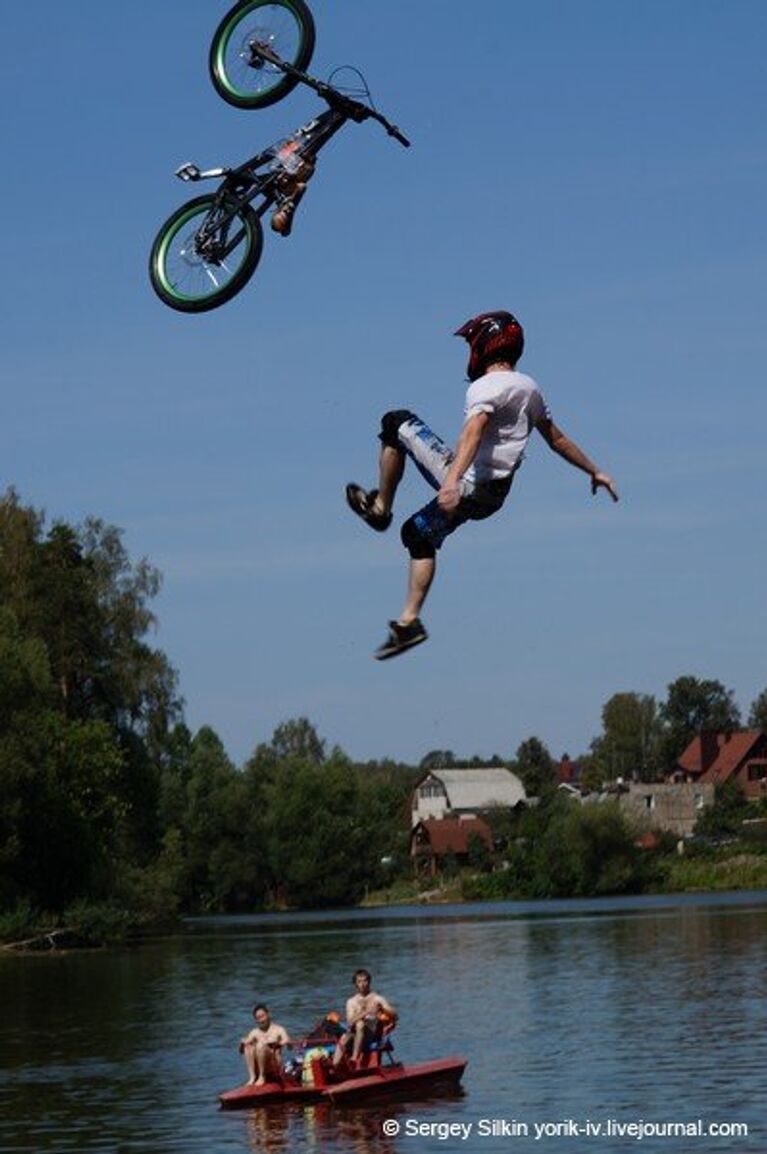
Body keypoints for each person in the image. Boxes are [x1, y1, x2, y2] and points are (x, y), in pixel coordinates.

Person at [345, 310, 619, 659]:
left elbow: (473, 433)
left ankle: (381, 507)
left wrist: (452, 481)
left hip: (466, 484)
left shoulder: (484, 388)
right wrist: (594, 470)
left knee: (394, 422)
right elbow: (557, 439)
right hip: (492, 498)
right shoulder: (529, 388)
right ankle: (408, 622)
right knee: (416, 534)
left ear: (482, 346)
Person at [334, 968, 397, 1067]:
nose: (363, 984)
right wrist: (366, 1012)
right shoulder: (351, 1002)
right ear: (355, 984)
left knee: (360, 1025)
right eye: (359, 982)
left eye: (365, 981)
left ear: (369, 982)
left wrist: (383, 1009)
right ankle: (335, 1066)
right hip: (354, 1036)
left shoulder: (377, 998)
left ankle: (354, 1059)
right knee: (345, 1036)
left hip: (371, 1035)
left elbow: (395, 1015)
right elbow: (350, 1022)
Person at [239, 1003, 291, 1086]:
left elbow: (288, 1043)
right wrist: (242, 1044)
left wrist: (280, 1043)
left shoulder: (278, 1029)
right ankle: (252, 1077)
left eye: (262, 1016)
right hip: (258, 1067)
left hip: (274, 1065)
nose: (261, 1020)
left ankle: (262, 1077)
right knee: (248, 1046)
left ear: (268, 1014)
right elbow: (242, 1051)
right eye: (258, 1018)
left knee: (260, 1045)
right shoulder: (254, 1032)